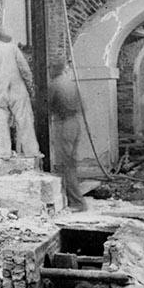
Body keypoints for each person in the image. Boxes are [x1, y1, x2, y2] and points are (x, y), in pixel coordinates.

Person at [0, 27, 41, 159]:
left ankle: (4, 153)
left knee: (1, 123)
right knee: (24, 120)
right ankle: (31, 151)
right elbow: (25, 70)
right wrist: (30, 87)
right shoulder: (12, 48)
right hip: (17, 89)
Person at [48, 62, 86, 211]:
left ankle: (77, 202)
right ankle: (74, 200)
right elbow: (82, 106)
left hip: (63, 124)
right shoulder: (71, 83)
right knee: (71, 163)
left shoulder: (54, 85)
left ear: (54, 69)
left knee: (65, 165)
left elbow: (46, 106)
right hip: (75, 123)